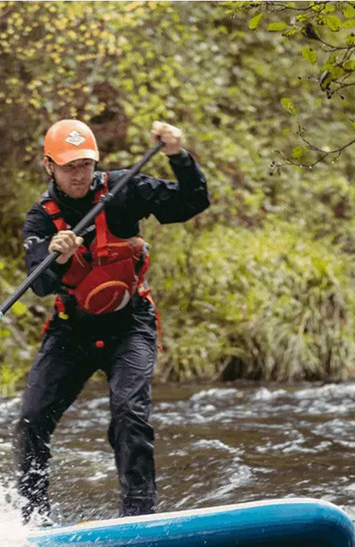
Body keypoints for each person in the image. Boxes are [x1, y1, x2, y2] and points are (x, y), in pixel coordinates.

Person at [14, 118, 209, 524]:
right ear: (49, 165)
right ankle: (33, 520)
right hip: (72, 330)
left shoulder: (123, 188)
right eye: (69, 166)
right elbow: (40, 284)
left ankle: (138, 518)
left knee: (129, 415)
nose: (79, 174)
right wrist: (59, 255)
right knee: (32, 421)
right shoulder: (41, 218)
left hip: (130, 323)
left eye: (85, 164)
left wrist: (178, 156)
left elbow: (191, 202)